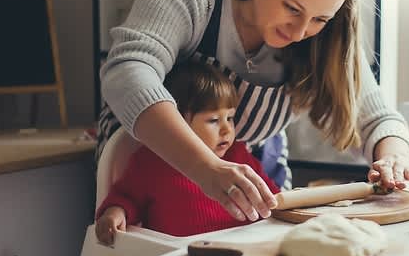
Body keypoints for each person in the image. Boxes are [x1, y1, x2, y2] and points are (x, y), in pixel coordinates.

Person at [97, 0, 409, 225]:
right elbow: (129, 71)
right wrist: (206, 167)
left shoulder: (329, 34)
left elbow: (377, 119)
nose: (300, 32)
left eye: (319, 19)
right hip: (147, 177)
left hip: (246, 189)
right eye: (292, 8)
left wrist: (393, 159)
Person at [95, 62, 279, 244]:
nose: (226, 130)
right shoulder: (150, 163)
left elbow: (271, 197)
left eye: (230, 118)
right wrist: (115, 212)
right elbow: (126, 198)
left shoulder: (239, 156)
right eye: (214, 120)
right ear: (179, 122)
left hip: (238, 253)